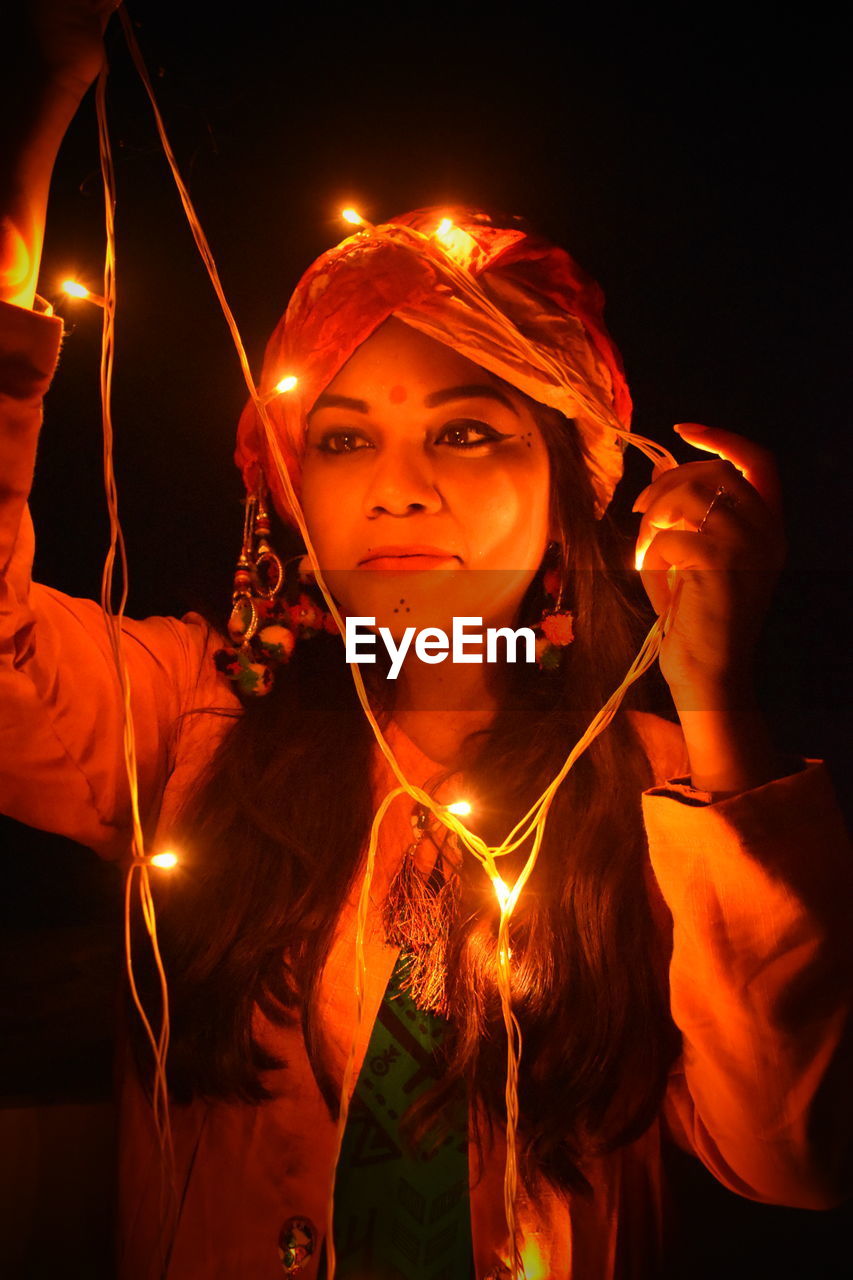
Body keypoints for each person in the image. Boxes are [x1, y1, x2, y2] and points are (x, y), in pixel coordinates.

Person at [2, 4, 851, 1278]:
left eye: (463, 429)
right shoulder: (192, 721)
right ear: (287, 492)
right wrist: (38, 95)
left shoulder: (671, 795)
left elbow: (796, 1150)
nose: (395, 487)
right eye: (343, 436)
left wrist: (721, 702)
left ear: (572, 484)